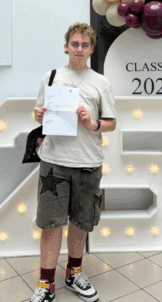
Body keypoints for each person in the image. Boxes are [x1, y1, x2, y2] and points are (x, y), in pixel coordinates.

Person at [31, 23, 117, 302]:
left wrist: (92, 123)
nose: (79, 49)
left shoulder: (101, 82)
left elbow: (111, 123)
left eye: (85, 45)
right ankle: (45, 284)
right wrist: (41, 114)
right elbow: (37, 114)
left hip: (88, 162)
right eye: (74, 44)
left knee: (80, 222)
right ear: (66, 46)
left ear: (92, 49)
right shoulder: (51, 77)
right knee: (51, 224)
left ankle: (73, 274)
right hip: (54, 162)